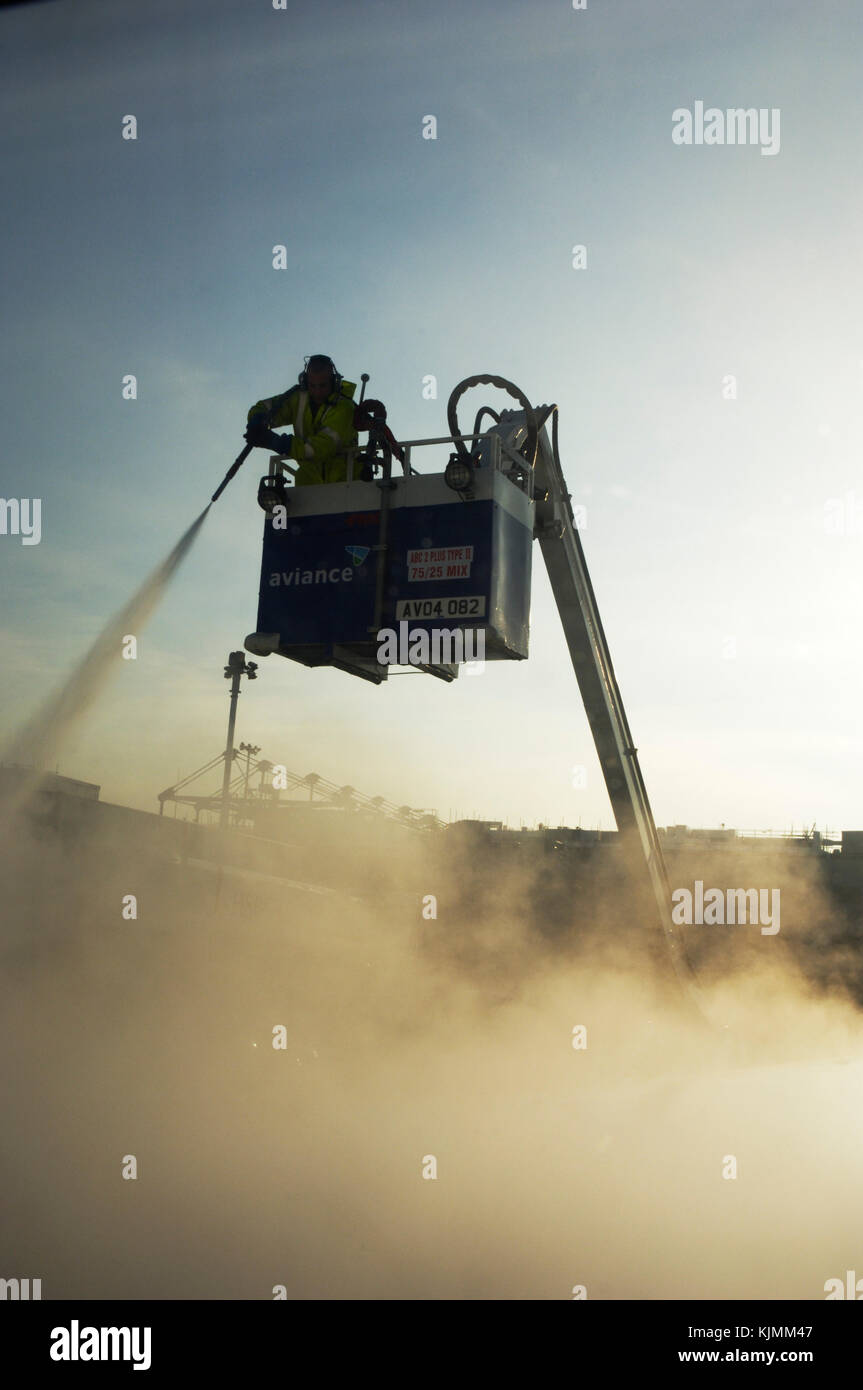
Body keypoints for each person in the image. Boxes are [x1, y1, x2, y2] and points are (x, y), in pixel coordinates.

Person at [244, 354, 359, 485]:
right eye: (312, 385)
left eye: (322, 385)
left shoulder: (344, 407)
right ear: (305, 381)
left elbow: (320, 448)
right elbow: (265, 407)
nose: (317, 392)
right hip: (307, 482)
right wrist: (257, 419)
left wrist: (278, 443)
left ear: (334, 382)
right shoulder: (298, 399)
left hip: (347, 482)